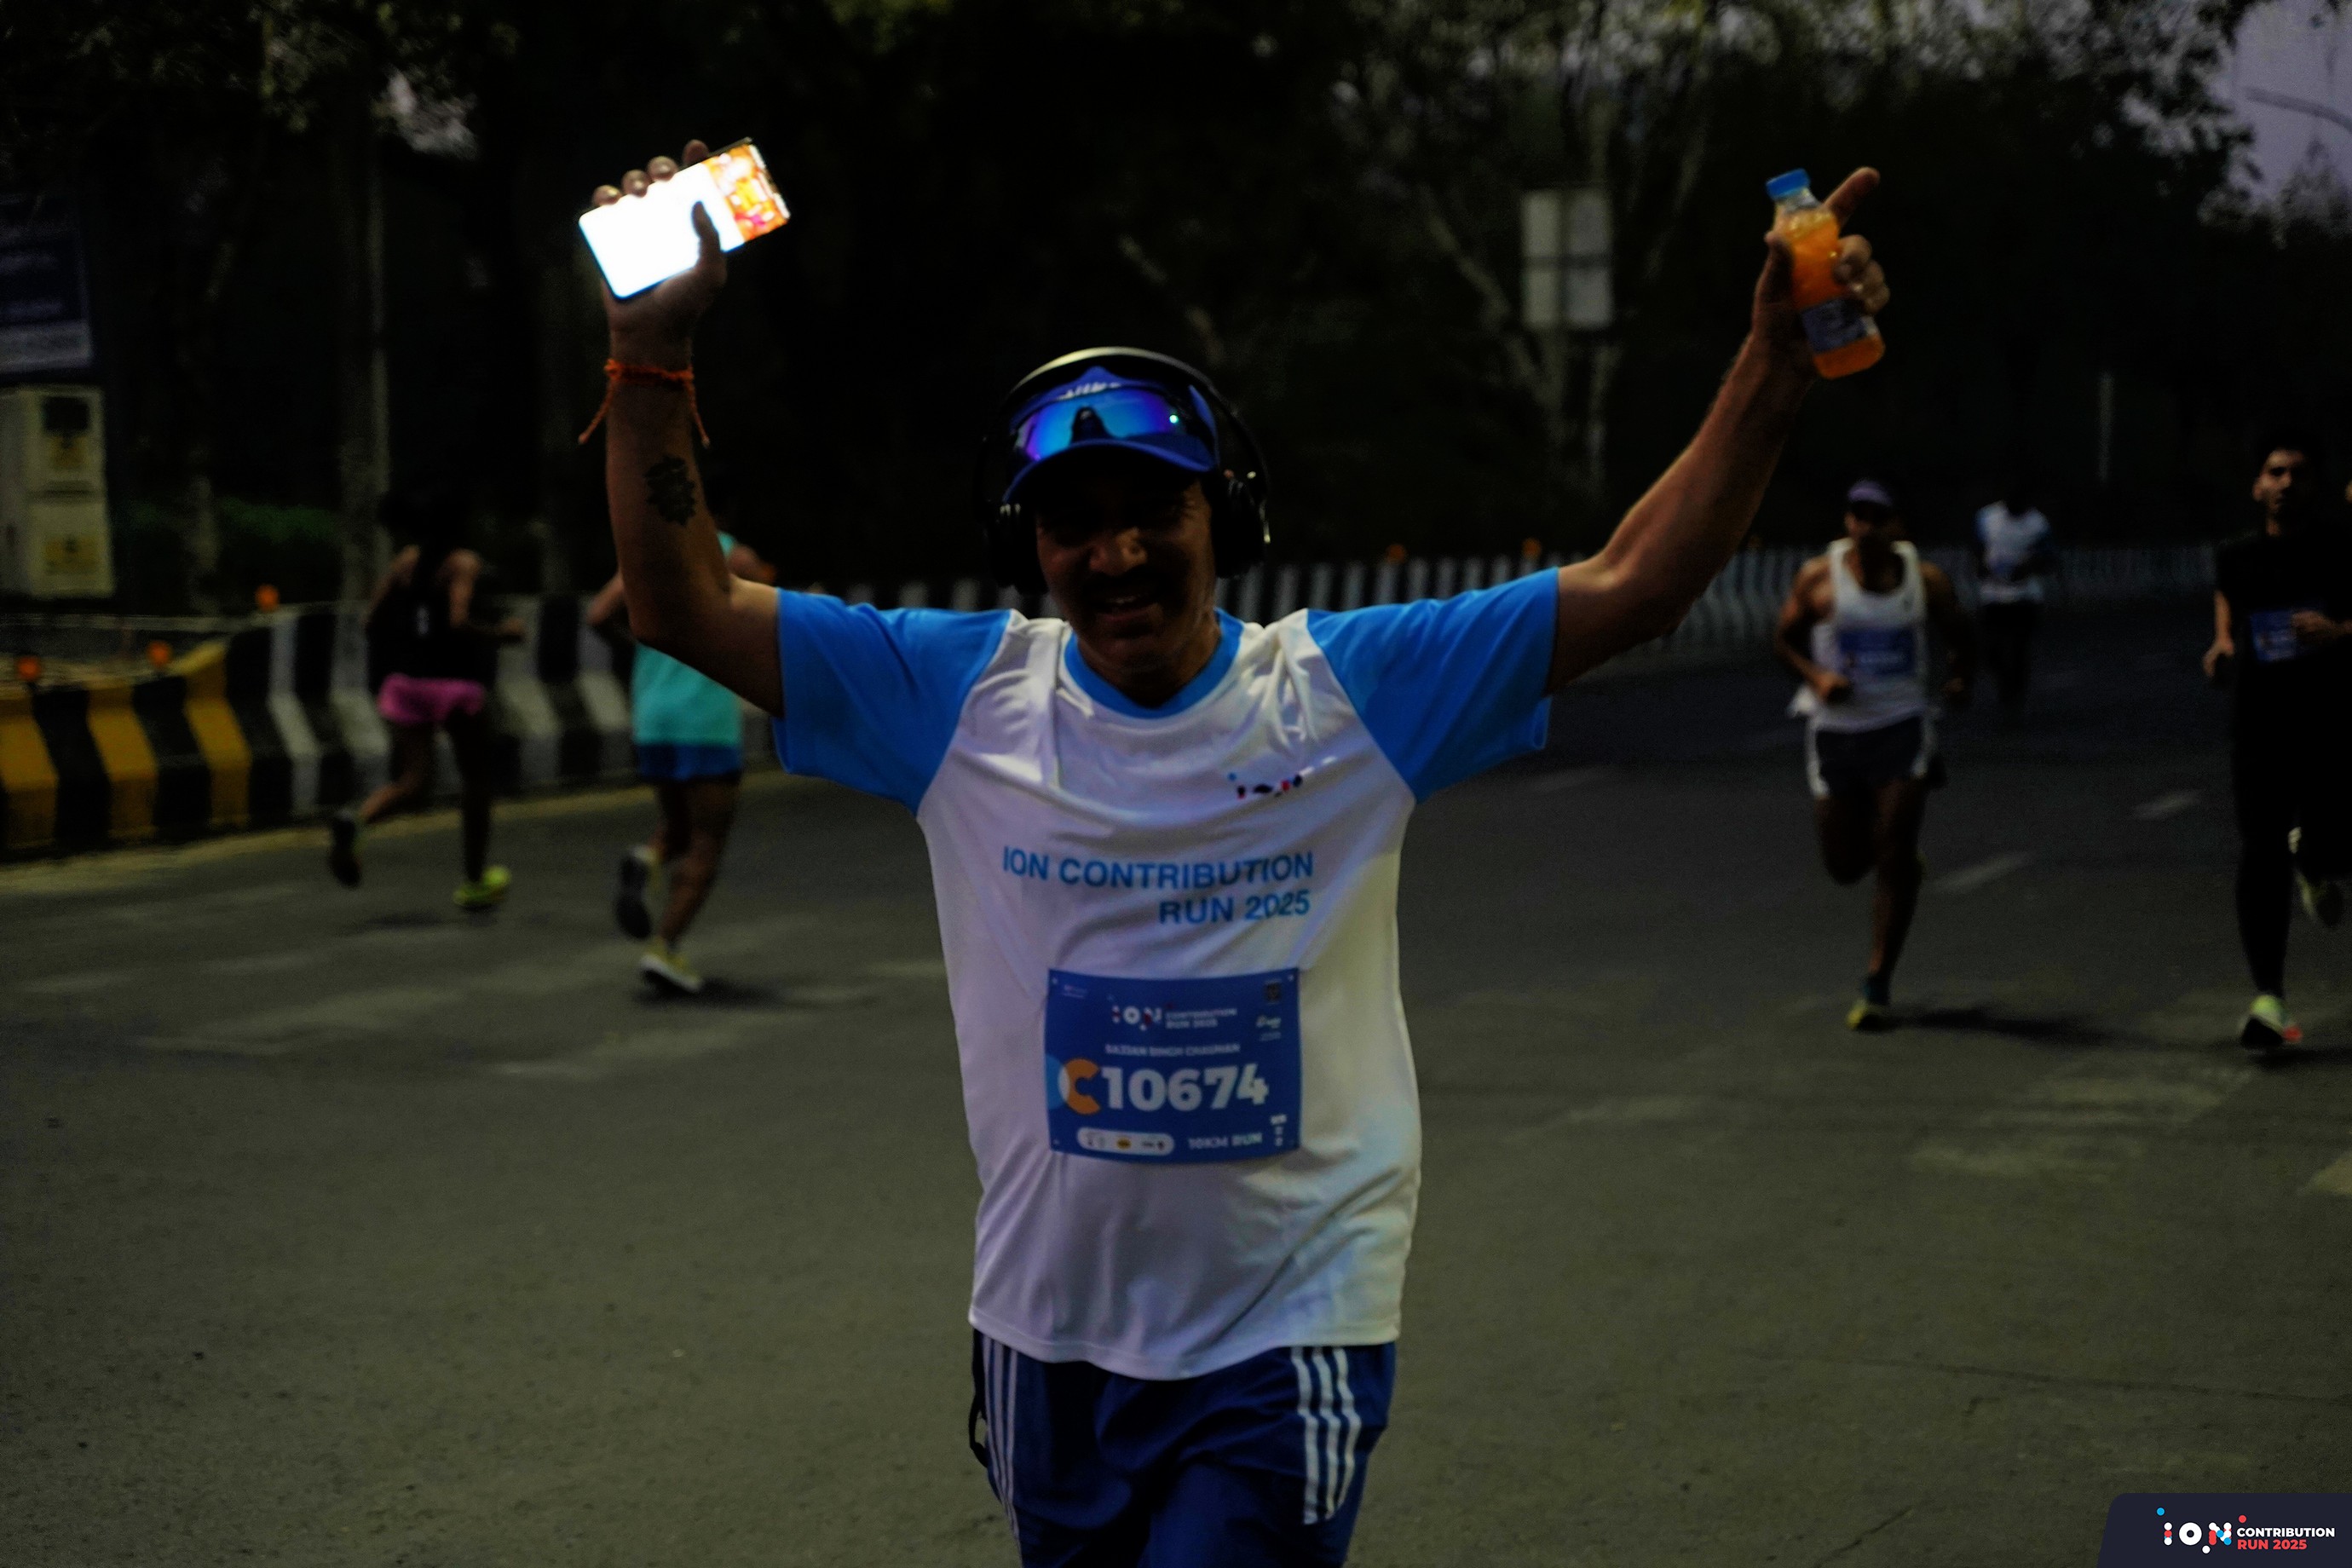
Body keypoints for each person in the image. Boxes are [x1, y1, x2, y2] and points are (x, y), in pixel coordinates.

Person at [586, 139, 1889, 1565]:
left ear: (1228, 517)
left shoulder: (1348, 694)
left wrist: (1774, 364)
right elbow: (681, 605)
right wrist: (649, 358)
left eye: (1157, 510)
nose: (1118, 556)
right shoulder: (956, 698)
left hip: (1283, 1338)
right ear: (1031, 549)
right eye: (1074, 526)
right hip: (1042, 1340)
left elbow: (1635, 585)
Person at [1775, 479, 1975, 1031]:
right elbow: (1782, 639)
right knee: (1843, 866)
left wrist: (1961, 677)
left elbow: (1960, 633)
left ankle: (1877, 982)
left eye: (1877, 517)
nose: (1865, 527)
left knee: (1894, 851)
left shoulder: (1925, 581)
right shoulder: (1820, 577)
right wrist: (1817, 677)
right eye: (1857, 516)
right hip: (1836, 732)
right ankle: (1898, 857)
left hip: (1901, 725)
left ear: (1897, 526)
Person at [588, 480, 775, 994]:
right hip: (704, 717)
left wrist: (641, 649)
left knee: (676, 824)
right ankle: (665, 948)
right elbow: (777, 618)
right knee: (708, 840)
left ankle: (647, 859)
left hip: (653, 714)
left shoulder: (649, 553)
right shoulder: (732, 556)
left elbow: (598, 615)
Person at [2201, 441, 2350, 1055]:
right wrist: (2221, 644)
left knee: (2330, 841)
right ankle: (2269, 997)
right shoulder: (2237, 555)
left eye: (2298, 474)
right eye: (2275, 472)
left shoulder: (2341, 549)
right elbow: (2228, 604)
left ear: (2314, 487)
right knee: (2259, 853)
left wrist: (2340, 632)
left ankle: (2314, 859)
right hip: (2260, 725)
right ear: (2257, 487)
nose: (2286, 483)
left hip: (2331, 723)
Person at [328, 492, 522, 909]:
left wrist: (404, 646)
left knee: (414, 782)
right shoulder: (463, 564)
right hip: (454, 687)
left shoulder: (405, 562)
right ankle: (474, 881)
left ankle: (359, 822)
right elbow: (458, 620)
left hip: (407, 685)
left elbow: (370, 621)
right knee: (476, 782)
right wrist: (502, 635)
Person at [1973, 479, 2052, 718]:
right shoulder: (1987, 517)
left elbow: (2049, 557)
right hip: (1993, 595)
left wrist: (2028, 567)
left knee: (2018, 648)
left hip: (2025, 597)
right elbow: (1977, 547)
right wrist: (1982, 566)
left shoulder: (2038, 523)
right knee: (1991, 649)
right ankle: (2005, 684)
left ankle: (2014, 697)